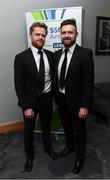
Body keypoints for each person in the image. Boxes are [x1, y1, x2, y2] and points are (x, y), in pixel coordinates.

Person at [14, 22, 58, 172]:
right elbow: (18, 85)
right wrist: (25, 106)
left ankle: (48, 148)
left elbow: (53, 78)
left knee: (46, 127)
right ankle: (29, 156)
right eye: (37, 34)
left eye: (43, 35)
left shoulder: (50, 56)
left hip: (46, 99)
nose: (40, 37)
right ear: (30, 35)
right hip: (30, 101)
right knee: (29, 130)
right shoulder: (21, 58)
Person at [54, 19, 94, 173]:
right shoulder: (57, 54)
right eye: (63, 32)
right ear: (60, 35)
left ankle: (80, 157)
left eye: (70, 32)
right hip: (61, 101)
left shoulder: (85, 54)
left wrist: (85, 106)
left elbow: (88, 82)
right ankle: (69, 147)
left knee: (80, 131)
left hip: (78, 103)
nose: (66, 35)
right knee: (67, 128)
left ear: (76, 34)